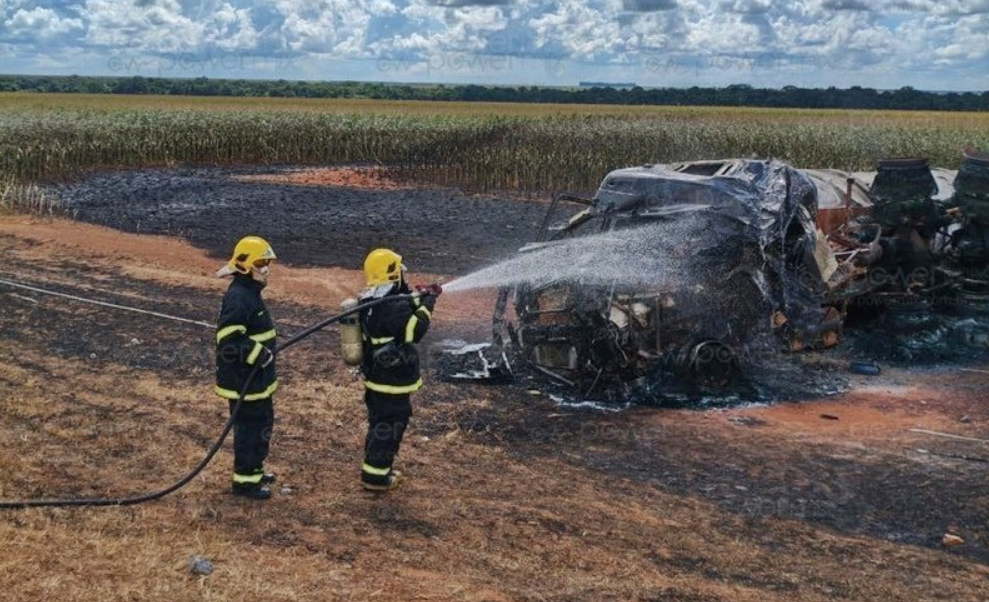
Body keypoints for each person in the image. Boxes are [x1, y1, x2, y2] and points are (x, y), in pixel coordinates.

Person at [358, 248, 440, 491]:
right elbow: (413, 331)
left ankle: (376, 467)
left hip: (377, 380)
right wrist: (427, 306)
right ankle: (375, 477)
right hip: (390, 381)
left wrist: (421, 296)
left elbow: (402, 307)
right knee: (390, 426)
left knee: (379, 423)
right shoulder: (391, 306)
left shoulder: (373, 300)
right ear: (393, 274)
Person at [214, 236, 279, 500]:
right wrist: (258, 353)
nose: (266, 269)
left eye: (267, 263)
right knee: (250, 429)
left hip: (256, 380)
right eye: (261, 263)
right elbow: (228, 340)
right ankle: (245, 483)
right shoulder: (239, 296)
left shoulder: (250, 291)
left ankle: (254, 469)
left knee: (260, 425)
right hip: (245, 381)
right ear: (245, 265)